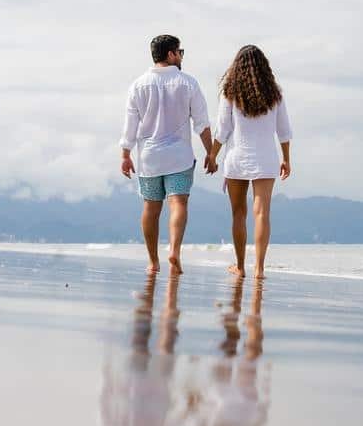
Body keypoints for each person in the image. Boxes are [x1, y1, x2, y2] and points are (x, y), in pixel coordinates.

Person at [119, 34, 218, 275]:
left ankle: (153, 262)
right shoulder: (188, 83)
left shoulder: (138, 85)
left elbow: (130, 126)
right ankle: (174, 250)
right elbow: (202, 123)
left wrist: (125, 154)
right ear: (170, 54)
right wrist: (211, 153)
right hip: (179, 156)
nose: (181, 56)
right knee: (178, 203)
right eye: (180, 52)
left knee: (151, 208)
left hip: (149, 158)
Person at [210, 45, 292, 279]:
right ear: (265, 67)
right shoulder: (275, 94)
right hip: (266, 159)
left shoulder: (230, 93)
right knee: (262, 213)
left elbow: (222, 130)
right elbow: (284, 131)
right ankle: (259, 268)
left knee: (238, 214)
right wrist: (286, 159)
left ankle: (241, 266)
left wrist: (212, 155)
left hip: (237, 159)